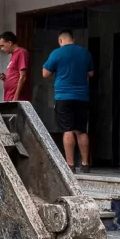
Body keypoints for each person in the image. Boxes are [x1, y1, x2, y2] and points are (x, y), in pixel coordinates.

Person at [42, 29, 94, 173]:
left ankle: (70, 165)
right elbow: (91, 73)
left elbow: (45, 73)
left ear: (60, 40)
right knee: (81, 131)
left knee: (68, 129)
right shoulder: (85, 53)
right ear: (73, 39)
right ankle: (85, 164)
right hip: (82, 97)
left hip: (63, 97)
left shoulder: (56, 53)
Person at [0, 31, 31, 102]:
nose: (2, 49)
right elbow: (15, 75)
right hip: (9, 95)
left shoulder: (21, 52)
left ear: (10, 43)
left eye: (2, 45)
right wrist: (5, 78)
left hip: (16, 97)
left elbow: (23, 77)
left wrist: (15, 98)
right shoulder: (13, 55)